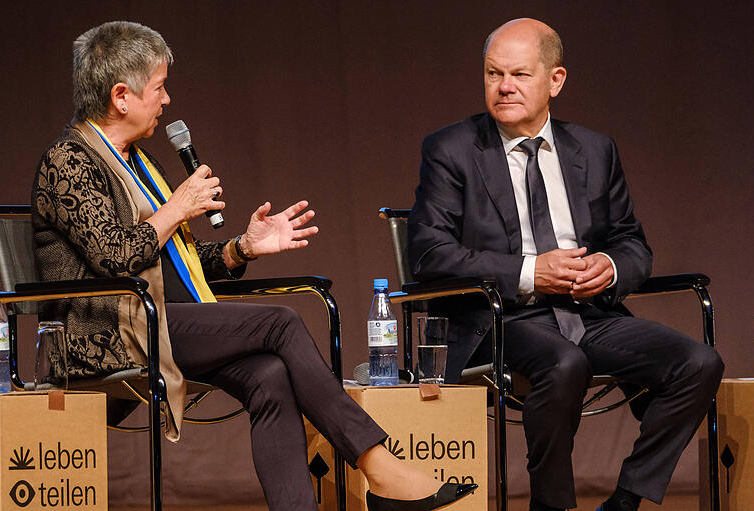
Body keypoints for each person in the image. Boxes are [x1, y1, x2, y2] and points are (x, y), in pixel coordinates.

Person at [31, 21, 476, 511]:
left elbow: (175, 262)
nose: (167, 100)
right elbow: (115, 256)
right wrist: (177, 206)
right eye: (159, 87)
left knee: (269, 375)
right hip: (107, 332)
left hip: (163, 318)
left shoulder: (136, 161)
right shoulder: (69, 161)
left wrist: (242, 247)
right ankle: (378, 465)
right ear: (121, 95)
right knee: (279, 322)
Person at [407, 18, 723, 511]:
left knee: (699, 363)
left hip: (588, 314)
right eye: (493, 74)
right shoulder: (452, 149)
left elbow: (631, 242)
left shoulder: (594, 150)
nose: (504, 87)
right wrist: (533, 271)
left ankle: (625, 501)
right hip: (502, 318)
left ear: (555, 80)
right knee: (565, 363)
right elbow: (429, 254)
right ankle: (552, 505)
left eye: (519, 74)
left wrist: (609, 266)